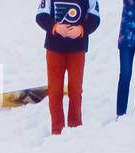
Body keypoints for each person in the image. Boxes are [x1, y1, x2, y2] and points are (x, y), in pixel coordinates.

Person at [35, 2, 102, 135]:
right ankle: (57, 131)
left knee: (75, 91)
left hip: (77, 50)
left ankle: (75, 128)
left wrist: (82, 29)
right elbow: (40, 15)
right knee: (55, 92)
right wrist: (55, 27)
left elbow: (95, 18)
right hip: (54, 49)